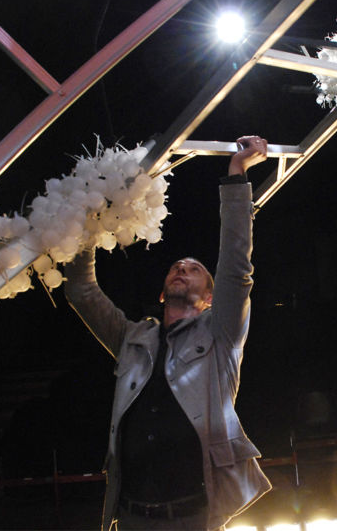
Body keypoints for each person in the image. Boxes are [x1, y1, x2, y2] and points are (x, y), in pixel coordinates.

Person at [64, 136, 272, 531]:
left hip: (194, 516)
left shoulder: (221, 335)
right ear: (162, 292)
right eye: (177, 266)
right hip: (133, 515)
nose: (182, 268)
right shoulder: (132, 338)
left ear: (210, 297)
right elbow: (82, 291)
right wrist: (83, 218)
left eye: (194, 269)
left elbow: (235, 267)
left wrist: (236, 176)